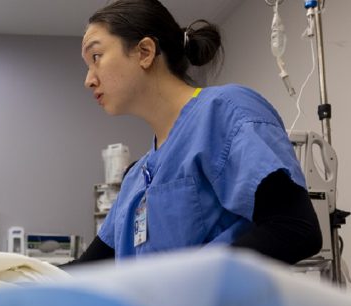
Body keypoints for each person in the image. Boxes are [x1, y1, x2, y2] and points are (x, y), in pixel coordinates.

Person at [69, 0, 321, 266]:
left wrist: (183, 284)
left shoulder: (224, 112)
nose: (89, 80)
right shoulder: (137, 177)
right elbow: (86, 269)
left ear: (144, 51)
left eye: (96, 57)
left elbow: (293, 228)